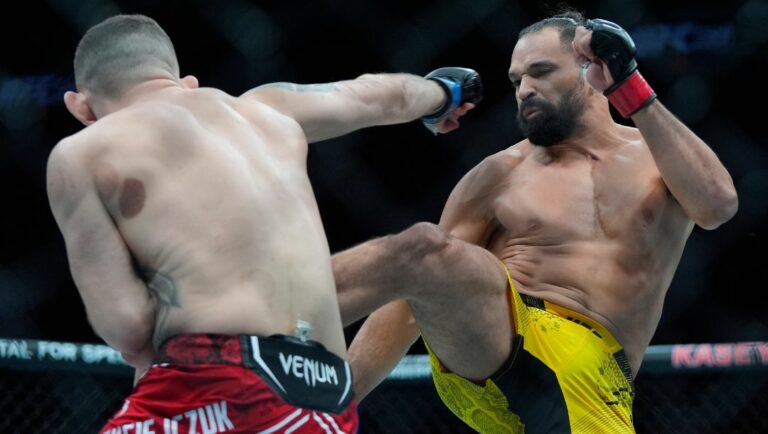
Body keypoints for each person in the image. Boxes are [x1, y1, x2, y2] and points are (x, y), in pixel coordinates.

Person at [45, 14, 481, 434]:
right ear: (186, 83)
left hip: (215, 384)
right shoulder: (266, 109)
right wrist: (444, 93)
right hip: (327, 396)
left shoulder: (81, 151)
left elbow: (128, 330)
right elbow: (377, 95)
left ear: (80, 106)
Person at [332, 11, 738, 434]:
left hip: (592, 387)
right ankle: (291, 355)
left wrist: (629, 85)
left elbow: (717, 206)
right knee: (422, 247)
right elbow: (412, 294)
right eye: (516, 80)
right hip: (504, 347)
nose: (525, 90)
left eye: (540, 73)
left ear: (592, 70)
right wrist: (341, 406)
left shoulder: (659, 156)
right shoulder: (498, 174)